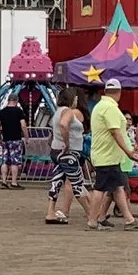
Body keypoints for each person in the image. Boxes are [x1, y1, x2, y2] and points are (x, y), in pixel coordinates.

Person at [85, 80, 138, 229]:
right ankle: (92, 220)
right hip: (107, 156)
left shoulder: (100, 106)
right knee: (100, 189)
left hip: (107, 155)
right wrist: (128, 152)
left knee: (117, 187)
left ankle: (129, 220)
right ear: (119, 92)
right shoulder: (110, 108)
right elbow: (115, 132)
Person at [43, 87, 87, 224]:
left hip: (56, 151)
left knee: (57, 180)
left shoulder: (57, 112)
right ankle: (92, 214)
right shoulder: (67, 111)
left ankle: (51, 212)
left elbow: (55, 128)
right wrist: (67, 143)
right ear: (71, 99)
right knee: (77, 182)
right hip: (68, 153)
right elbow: (63, 125)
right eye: (75, 98)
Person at [0, 91, 27, 190]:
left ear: (8, 100)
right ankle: (14, 182)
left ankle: (3, 182)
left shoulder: (2, 111)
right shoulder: (19, 111)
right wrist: (27, 137)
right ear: (16, 101)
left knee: (4, 161)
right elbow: (23, 126)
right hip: (16, 140)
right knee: (15, 162)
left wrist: (0, 138)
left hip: (5, 140)